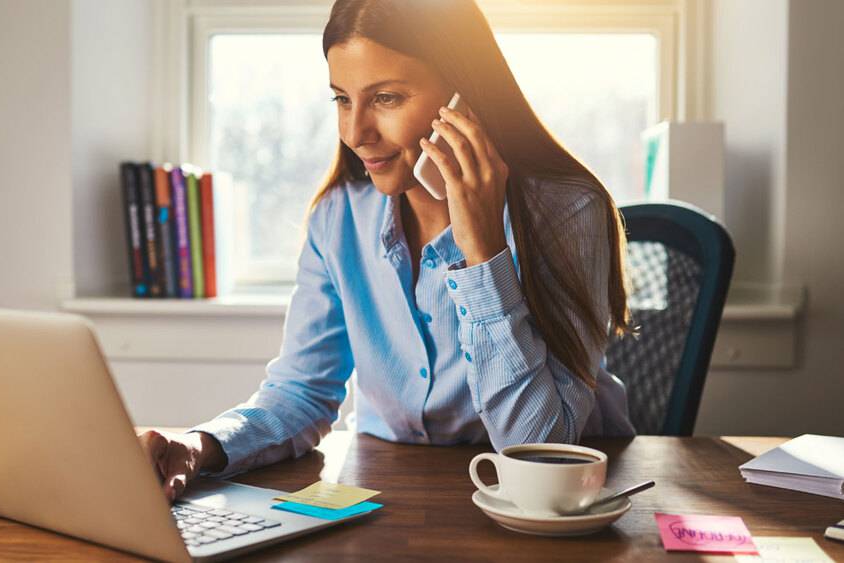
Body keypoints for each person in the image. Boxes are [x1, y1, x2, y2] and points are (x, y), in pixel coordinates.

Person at [139, 0, 635, 502]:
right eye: (342, 100)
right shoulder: (339, 217)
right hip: (387, 496)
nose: (355, 134)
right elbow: (302, 391)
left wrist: (483, 252)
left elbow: (540, 450)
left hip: (549, 509)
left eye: (387, 98)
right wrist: (200, 444)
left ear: (465, 98)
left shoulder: (568, 212)